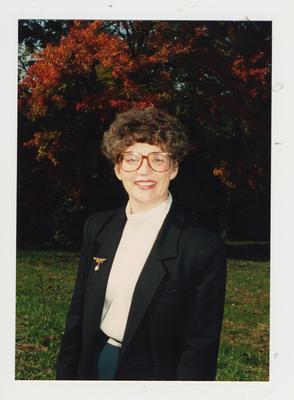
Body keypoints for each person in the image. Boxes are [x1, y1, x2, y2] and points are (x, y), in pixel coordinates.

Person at [56, 107, 227, 381]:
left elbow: (199, 347)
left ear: (173, 169)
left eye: (158, 159)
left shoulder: (201, 246)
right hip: (95, 363)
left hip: (156, 377)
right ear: (118, 168)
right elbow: (78, 315)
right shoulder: (98, 227)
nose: (144, 171)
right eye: (132, 159)